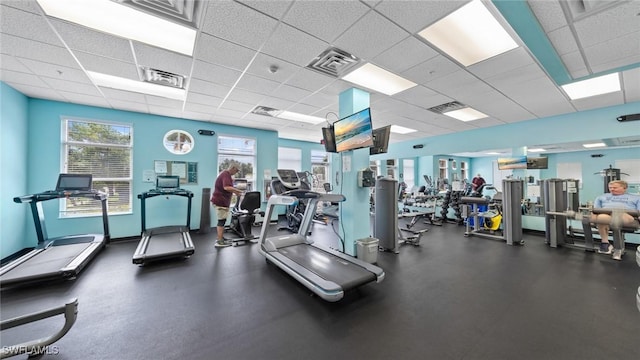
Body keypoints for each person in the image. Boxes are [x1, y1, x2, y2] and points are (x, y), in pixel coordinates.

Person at [591, 180, 640, 259]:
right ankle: (605, 243)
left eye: (615, 187)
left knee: (618, 213)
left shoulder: (636, 198)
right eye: (610, 188)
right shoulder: (601, 197)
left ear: (624, 188)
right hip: (608, 216)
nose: (612, 189)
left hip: (628, 217)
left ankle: (617, 248)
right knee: (601, 218)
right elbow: (596, 210)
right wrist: (593, 219)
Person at [211, 165, 244, 248]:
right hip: (220, 201)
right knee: (221, 221)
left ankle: (221, 237)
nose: (235, 173)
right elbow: (226, 187)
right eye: (236, 171)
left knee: (223, 220)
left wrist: (236, 193)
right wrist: (239, 191)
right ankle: (219, 241)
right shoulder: (226, 174)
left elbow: (227, 188)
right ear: (232, 168)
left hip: (222, 201)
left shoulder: (226, 175)